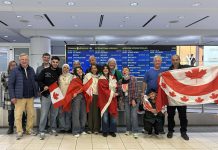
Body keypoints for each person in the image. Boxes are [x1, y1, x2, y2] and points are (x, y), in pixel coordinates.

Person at [8, 53, 38, 140]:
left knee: (31, 114)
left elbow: (34, 81)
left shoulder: (31, 69)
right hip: (19, 97)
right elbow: (10, 84)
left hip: (30, 97)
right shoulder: (15, 70)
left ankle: (29, 130)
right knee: (18, 115)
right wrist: (12, 96)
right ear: (19, 61)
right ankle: (19, 131)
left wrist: (36, 91)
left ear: (28, 60)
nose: (24, 61)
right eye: (22, 59)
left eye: (26, 59)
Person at [37, 56, 62, 140]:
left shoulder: (60, 71)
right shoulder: (45, 71)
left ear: (58, 63)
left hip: (56, 95)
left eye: (56, 62)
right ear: (51, 62)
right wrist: (43, 86)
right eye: (53, 62)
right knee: (44, 114)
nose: (55, 63)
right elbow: (38, 80)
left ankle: (53, 129)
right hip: (46, 95)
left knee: (54, 114)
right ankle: (41, 130)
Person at [167, 54, 190, 141]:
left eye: (176, 59)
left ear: (179, 60)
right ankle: (170, 131)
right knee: (170, 115)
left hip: (181, 97)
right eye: (173, 60)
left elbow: (195, 69)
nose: (175, 61)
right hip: (172, 97)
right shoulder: (168, 71)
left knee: (183, 116)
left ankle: (183, 132)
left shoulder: (185, 68)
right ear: (171, 61)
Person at [141, 55, 165, 134]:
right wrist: (142, 93)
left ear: (161, 62)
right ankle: (147, 128)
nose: (157, 62)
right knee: (148, 112)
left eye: (159, 60)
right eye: (156, 61)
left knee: (160, 112)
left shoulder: (164, 72)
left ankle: (160, 129)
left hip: (160, 95)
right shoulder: (149, 71)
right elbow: (144, 82)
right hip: (149, 95)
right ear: (153, 62)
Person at [1, 61, 26, 134]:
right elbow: (2, 83)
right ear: (9, 66)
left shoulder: (20, 73)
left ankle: (23, 126)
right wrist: (9, 86)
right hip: (9, 96)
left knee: (21, 112)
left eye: (15, 65)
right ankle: (10, 127)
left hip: (19, 95)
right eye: (12, 65)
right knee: (11, 113)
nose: (13, 67)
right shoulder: (4, 74)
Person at [118, 66, 139, 138]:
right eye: (123, 70)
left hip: (133, 99)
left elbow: (136, 90)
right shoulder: (121, 81)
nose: (125, 71)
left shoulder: (133, 79)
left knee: (134, 116)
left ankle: (135, 131)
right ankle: (128, 130)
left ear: (129, 72)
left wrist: (134, 99)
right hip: (126, 100)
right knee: (127, 116)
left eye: (126, 70)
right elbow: (121, 93)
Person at [98, 64, 118, 137]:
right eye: (104, 68)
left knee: (113, 114)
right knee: (105, 115)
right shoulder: (100, 79)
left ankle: (112, 131)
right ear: (102, 70)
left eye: (107, 68)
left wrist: (116, 92)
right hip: (104, 100)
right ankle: (105, 131)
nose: (105, 69)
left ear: (109, 70)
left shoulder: (113, 77)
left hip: (112, 99)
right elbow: (103, 90)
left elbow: (116, 86)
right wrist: (112, 93)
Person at [83, 64, 101, 134]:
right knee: (90, 112)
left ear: (97, 69)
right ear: (91, 69)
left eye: (95, 68)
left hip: (97, 96)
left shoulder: (99, 76)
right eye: (92, 68)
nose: (94, 69)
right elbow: (84, 84)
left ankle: (96, 129)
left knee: (96, 112)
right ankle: (90, 128)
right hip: (89, 95)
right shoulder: (87, 75)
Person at [71, 67, 87, 137]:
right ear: (75, 72)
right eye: (77, 70)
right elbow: (71, 88)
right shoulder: (74, 79)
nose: (79, 71)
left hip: (84, 96)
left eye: (80, 69)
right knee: (76, 114)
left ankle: (82, 129)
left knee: (83, 113)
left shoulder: (85, 77)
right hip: (77, 97)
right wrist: (74, 93)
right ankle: (75, 131)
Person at [58, 64, 73, 133]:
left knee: (68, 113)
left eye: (67, 68)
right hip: (60, 97)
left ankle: (68, 128)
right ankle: (62, 127)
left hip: (69, 98)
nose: (65, 69)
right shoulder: (59, 76)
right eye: (64, 67)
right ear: (62, 68)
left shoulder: (72, 76)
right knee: (61, 113)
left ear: (69, 69)